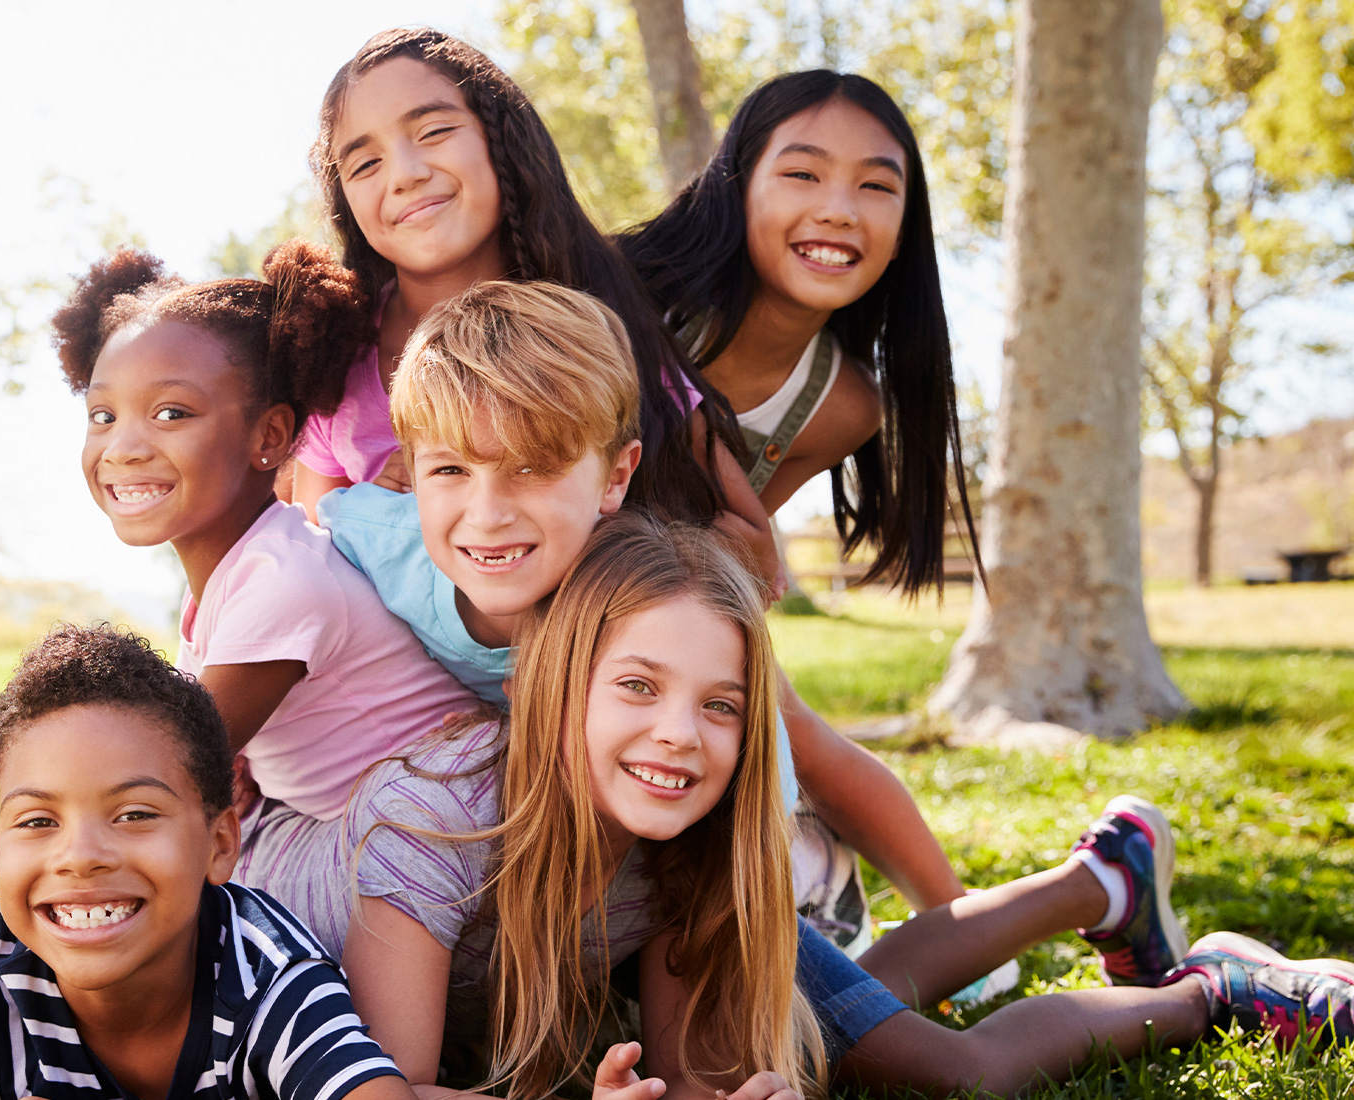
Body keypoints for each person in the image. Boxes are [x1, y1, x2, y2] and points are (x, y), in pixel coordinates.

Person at [326, 515, 1354, 1099]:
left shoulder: (683, 835)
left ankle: (1205, 986)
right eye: (636, 686)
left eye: (719, 705)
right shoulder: (430, 831)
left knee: (934, 1064)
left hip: (633, 948)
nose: (680, 732)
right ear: (550, 690)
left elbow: (693, 1079)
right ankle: (1098, 881)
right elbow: (383, 1090)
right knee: (854, 1006)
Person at [0, 245, 481, 977]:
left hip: (422, 843)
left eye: (171, 412)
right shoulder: (232, 580)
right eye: (103, 415)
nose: (124, 446)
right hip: (352, 839)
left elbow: (161, 775)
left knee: (139, 870)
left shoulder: (284, 578)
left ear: (271, 438)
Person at [310, 280, 970, 918]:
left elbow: (756, 770)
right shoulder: (366, 541)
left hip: (695, 840)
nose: (486, 516)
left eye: (534, 468)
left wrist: (763, 871)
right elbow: (270, 600)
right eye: (451, 469)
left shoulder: (653, 609)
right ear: (412, 467)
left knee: (854, 1016)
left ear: (616, 477)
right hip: (538, 823)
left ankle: (828, 882)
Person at [0, 625, 413, 1100]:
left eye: (135, 814)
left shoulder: (268, 978)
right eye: (39, 821)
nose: (83, 855)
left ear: (220, 844)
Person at [285, 28, 772, 588]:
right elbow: (312, 568)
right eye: (364, 165)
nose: (405, 173)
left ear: (501, 140)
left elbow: (754, 552)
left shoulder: (593, 333)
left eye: (435, 131)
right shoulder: (337, 358)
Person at [618, 71, 973, 592]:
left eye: (876, 186)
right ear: (734, 190)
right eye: (803, 174)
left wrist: (747, 562)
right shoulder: (620, 304)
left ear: (901, 235)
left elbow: (721, 560)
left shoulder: (841, 409)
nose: (839, 211)